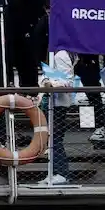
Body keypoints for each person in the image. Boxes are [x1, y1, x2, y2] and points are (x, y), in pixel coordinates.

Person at [5, 0, 47, 88]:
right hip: (12, 28)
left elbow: (35, 5)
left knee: (27, 62)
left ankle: (30, 91)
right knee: (13, 60)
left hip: (26, 29)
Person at [39, 45, 78, 187]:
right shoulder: (55, 53)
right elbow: (46, 74)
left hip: (57, 102)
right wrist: (44, 81)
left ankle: (62, 173)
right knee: (51, 138)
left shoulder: (61, 53)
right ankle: (54, 172)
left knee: (54, 138)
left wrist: (50, 83)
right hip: (52, 101)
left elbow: (68, 80)